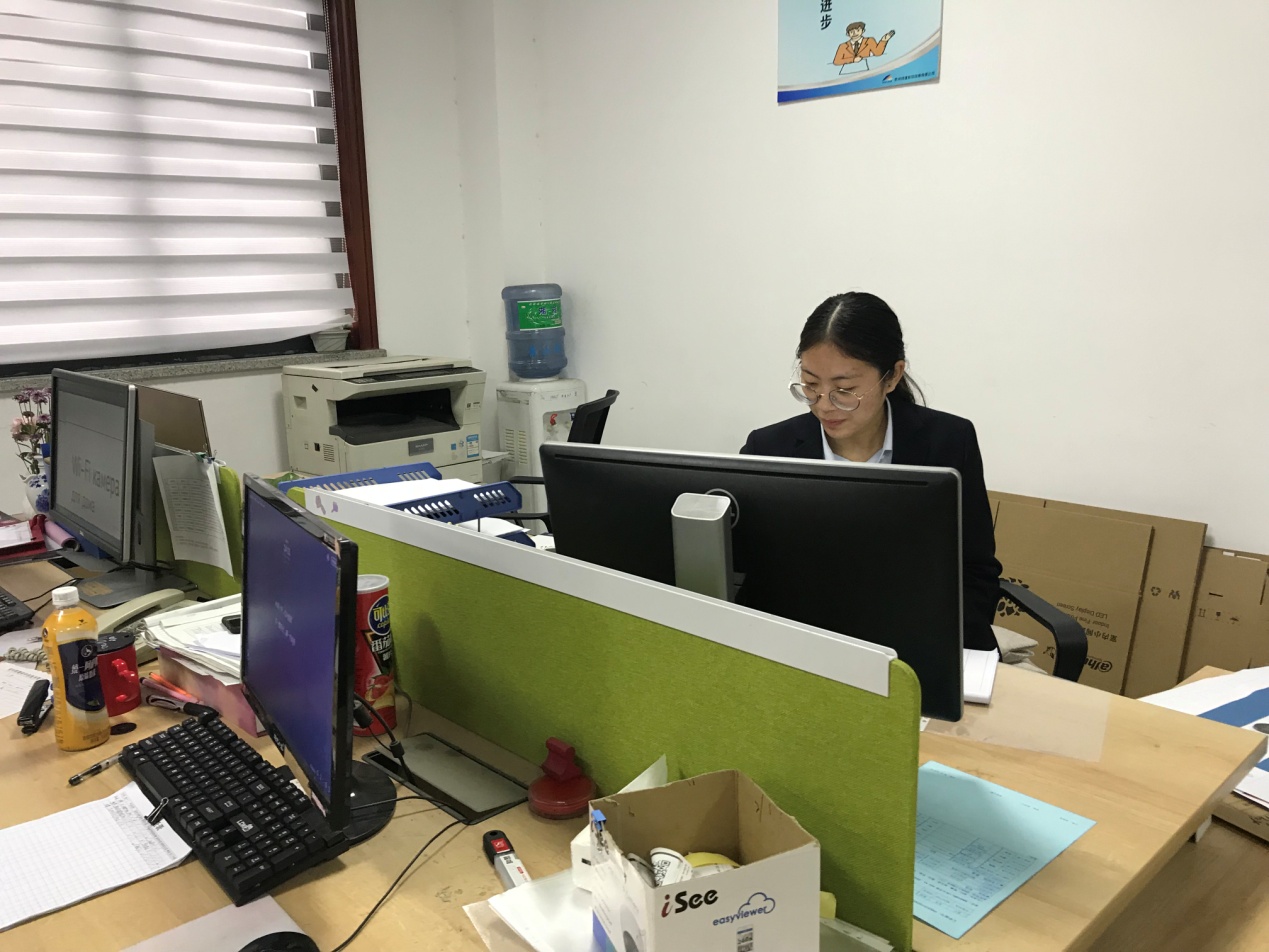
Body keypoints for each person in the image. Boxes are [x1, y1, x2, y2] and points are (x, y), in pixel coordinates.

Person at [740, 291, 1002, 652]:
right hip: (804, 643)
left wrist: (943, 645)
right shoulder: (769, 449)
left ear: (892, 377)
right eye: (811, 385)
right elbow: (745, 573)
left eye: (845, 390)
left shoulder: (948, 442)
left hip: (917, 643)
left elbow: (976, 570)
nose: (824, 406)